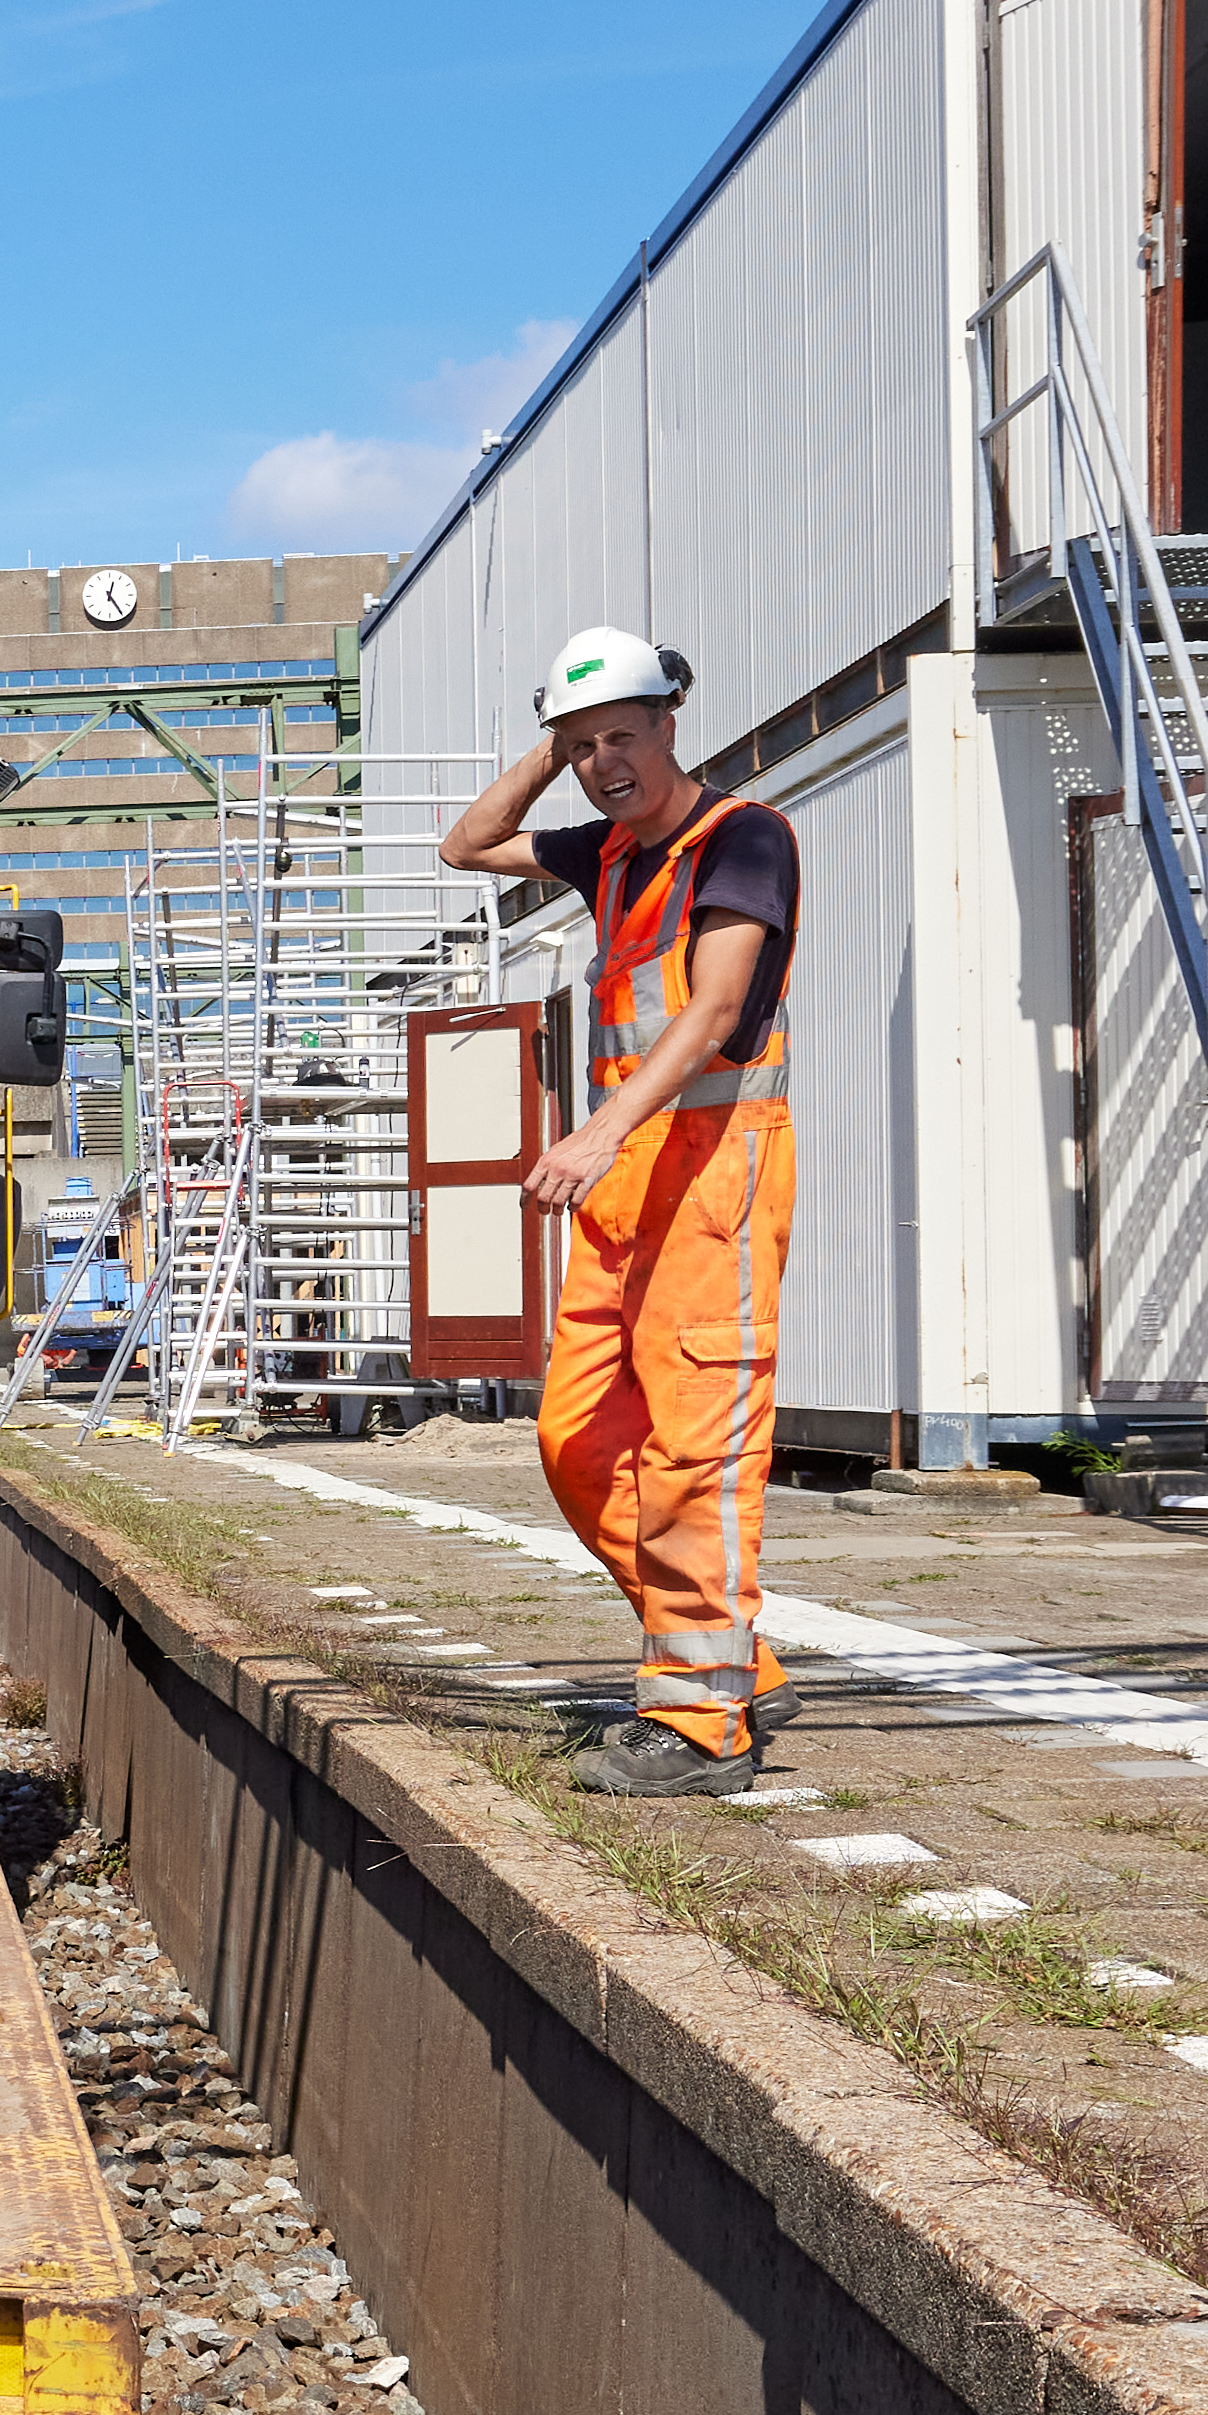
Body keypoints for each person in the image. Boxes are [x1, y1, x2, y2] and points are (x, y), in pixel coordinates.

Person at [438, 625, 797, 1793]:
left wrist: (598, 1129)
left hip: (711, 1167)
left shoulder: (742, 838)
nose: (606, 761)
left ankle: (700, 1723)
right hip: (628, 1182)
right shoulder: (606, 854)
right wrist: (547, 749)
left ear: (670, 725)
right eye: (583, 744)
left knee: (696, 1441)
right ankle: (733, 1659)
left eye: (622, 736)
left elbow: (713, 1008)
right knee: (578, 1437)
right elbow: (467, 844)